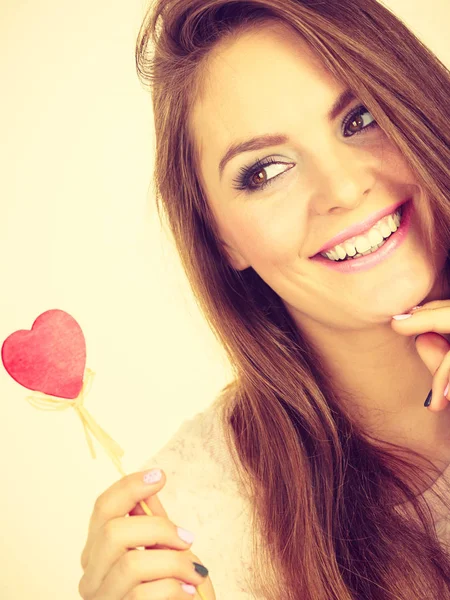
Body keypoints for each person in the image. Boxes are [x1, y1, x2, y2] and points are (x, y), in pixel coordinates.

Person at [78, 0, 450, 598]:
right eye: (266, 170)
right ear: (221, 237)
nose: (344, 187)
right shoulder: (191, 526)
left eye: (360, 119)